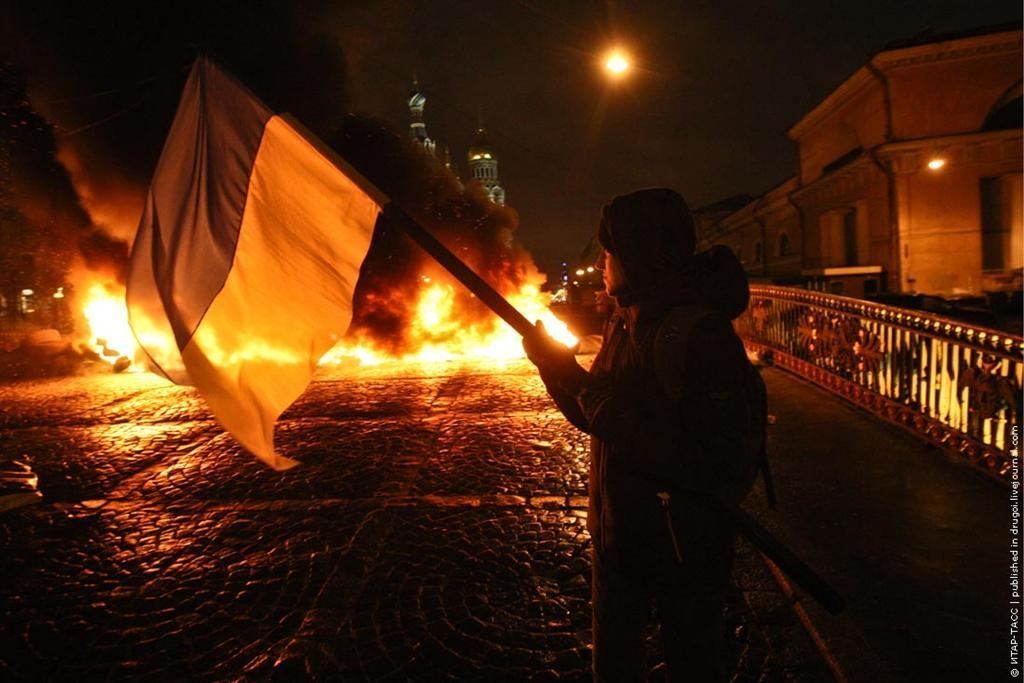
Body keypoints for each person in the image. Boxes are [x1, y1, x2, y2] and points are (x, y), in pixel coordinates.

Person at [523, 188, 757, 681]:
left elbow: (707, 459)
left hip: (682, 545)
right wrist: (556, 369)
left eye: (611, 253)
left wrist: (596, 400)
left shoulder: (700, 335)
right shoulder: (626, 322)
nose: (604, 265)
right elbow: (596, 418)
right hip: (618, 537)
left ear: (640, 256)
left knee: (693, 665)